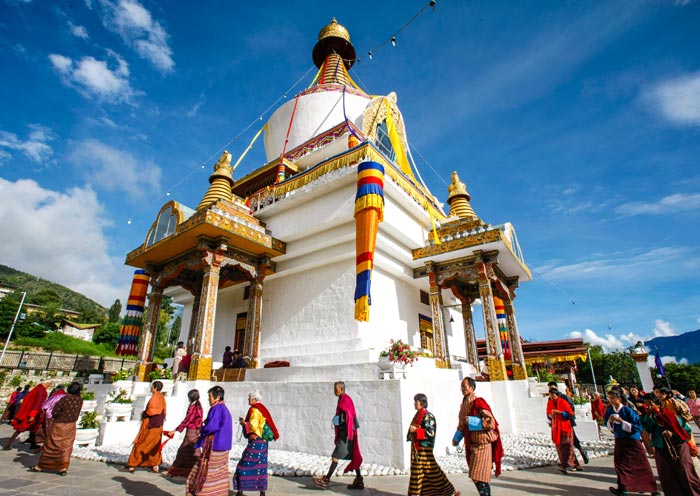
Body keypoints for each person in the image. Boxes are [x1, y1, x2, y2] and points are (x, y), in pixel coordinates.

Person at [641, 393, 700, 496]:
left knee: (685, 472)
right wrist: (649, 417)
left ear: (657, 403)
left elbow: (686, 431)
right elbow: (647, 428)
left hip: (678, 447)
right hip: (661, 448)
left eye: (650, 403)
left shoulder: (669, 414)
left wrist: (672, 433)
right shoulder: (649, 416)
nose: (649, 406)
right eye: (646, 404)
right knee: (667, 476)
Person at [605, 387, 660, 496]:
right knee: (620, 464)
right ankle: (623, 488)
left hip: (632, 440)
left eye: (613, 398)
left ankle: (652, 489)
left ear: (619, 399)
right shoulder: (610, 411)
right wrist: (610, 422)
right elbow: (608, 425)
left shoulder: (627, 410)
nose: (611, 400)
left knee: (641, 464)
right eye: (609, 398)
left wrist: (622, 422)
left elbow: (637, 426)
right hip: (620, 439)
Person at [455, 377, 503, 496]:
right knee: (477, 476)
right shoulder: (463, 405)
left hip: (483, 444)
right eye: (461, 387)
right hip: (472, 444)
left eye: (464, 387)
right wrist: (457, 437)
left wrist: (471, 421)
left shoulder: (479, 402)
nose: (462, 389)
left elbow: (490, 422)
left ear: (471, 388)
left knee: (478, 476)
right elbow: (462, 425)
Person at [313, 381, 364, 490]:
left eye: (336, 389)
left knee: (335, 456)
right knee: (352, 455)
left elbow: (349, 416)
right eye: (334, 389)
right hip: (347, 433)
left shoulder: (346, 400)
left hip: (346, 434)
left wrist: (338, 420)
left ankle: (326, 480)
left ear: (342, 389)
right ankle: (359, 480)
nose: (335, 391)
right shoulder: (342, 399)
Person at [408, 393, 460, 496]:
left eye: (416, 402)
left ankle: (449, 492)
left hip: (424, 450)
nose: (414, 404)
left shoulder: (428, 416)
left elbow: (430, 433)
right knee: (419, 473)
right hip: (417, 449)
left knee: (431, 471)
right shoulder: (418, 415)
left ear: (422, 403)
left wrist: (416, 430)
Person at [187, 385, 233, 496]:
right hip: (224, 446)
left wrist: (202, 429)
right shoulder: (224, 408)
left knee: (204, 471)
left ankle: (203, 492)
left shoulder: (216, 408)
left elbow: (212, 426)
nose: (208, 399)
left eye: (210, 396)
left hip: (215, 445)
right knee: (219, 473)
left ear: (217, 398)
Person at [30, 381, 83, 476]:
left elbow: (55, 412)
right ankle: (63, 467)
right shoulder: (80, 400)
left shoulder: (64, 399)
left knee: (52, 445)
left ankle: (41, 466)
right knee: (66, 446)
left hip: (59, 425)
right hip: (71, 425)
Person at [234, 390, 279, 496]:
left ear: (254, 399)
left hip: (256, 442)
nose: (248, 399)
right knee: (261, 466)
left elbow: (253, 426)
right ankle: (262, 492)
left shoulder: (254, 410)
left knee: (243, 465)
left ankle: (240, 491)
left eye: (249, 398)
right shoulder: (262, 409)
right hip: (263, 443)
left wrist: (243, 423)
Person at [122, 380, 167, 473]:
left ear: (155, 388)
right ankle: (154, 464)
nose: (151, 388)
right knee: (154, 445)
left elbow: (152, 411)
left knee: (141, 444)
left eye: (152, 386)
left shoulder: (155, 397)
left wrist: (145, 413)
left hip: (152, 425)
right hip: (159, 424)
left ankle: (132, 464)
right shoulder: (162, 397)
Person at [162, 389, 203, 478]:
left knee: (183, 451)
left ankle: (175, 470)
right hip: (196, 430)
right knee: (193, 451)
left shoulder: (193, 406)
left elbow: (187, 420)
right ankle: (194, 471)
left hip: (191, 431)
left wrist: (176, 430)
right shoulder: (198, 405)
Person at [547, 381, 589, 463]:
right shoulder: (550, 399)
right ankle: (566, 461)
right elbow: (548, 410)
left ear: (556, 388)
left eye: (552, 388)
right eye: (550, 389)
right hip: (557, 423)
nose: (551, 391)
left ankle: (580, 453)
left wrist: (561, 413)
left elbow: (571, 410)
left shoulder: (564, 397)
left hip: (566, 422)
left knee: (571, 441)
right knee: (561, 443)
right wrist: (550, 418)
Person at [3, 381, 51, 450]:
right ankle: (8, 444)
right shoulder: (41, 390)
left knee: (33, 429)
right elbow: (37, 403)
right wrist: (33, 414)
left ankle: (33, 444)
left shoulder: (38, 388)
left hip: (32, 411)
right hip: (32, 412)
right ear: (46, 383)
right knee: (21, 429)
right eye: (49, 384)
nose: (49, 385)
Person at [546, 387, 580, 473]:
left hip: (565, 427)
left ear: (556, 395)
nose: (551, 397)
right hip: (556, 427)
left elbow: (571, 414)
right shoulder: (550, 403)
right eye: (550, 395)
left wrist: (560, 413)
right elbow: (548, 413)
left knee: (568, 446)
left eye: (552, 395)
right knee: (560, 447)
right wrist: (550, 416)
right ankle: (564, 464)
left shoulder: (563, 402)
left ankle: (570, 464)